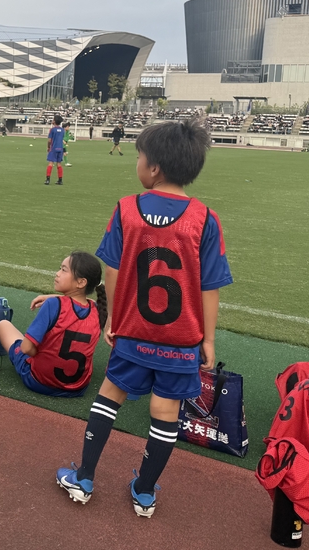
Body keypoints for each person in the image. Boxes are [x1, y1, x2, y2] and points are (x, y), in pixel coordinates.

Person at [55, 120, 232, 518]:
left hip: (134, 331)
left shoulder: (126, 209)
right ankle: (145, 492)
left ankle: (84, 477)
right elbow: (210, 286)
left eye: (139, 156)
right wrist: (208, 340)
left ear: (154, 168)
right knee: (166, 415)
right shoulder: (206, 218)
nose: (137, 162)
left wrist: (113, 319)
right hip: (181, 339)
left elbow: (113, 269)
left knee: (109, 398)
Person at [0, 252, 103, 397]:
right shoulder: (98, 310)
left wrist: (40, 355)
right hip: (77, 388)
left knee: (3, 325)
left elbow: (26, 348)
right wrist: (54, 297)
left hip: (38, 381)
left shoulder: (53, 305)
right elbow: (83, 302)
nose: (57, 273)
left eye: (64, 270)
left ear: (81, 282)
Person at [45, 114, 64, 185]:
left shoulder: (52, 130)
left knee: (51, 163)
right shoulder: (62, 130)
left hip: (53, 148)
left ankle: (47, 180)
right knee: (59, 164)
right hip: (60, 148)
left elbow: (49, 140)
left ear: (54, 121)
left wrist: (48, 147)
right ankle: (60, 180)